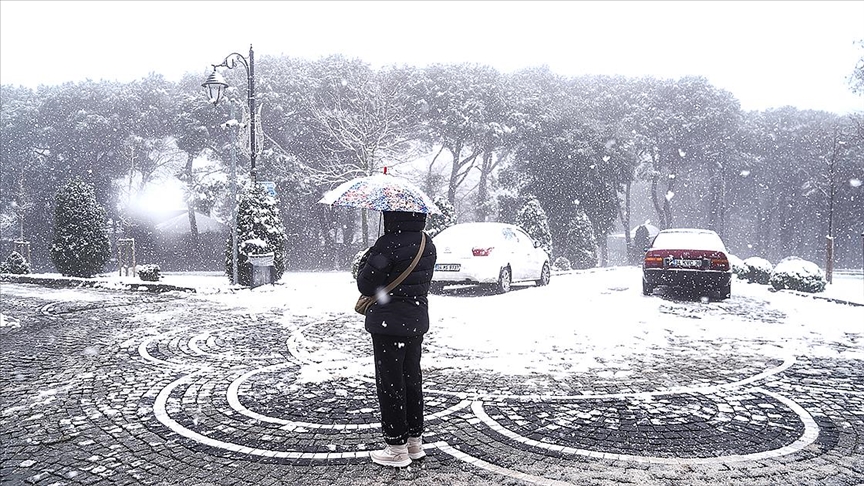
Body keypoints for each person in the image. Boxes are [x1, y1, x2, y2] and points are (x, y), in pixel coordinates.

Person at [356, 210, 437, 468]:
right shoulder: (427, 243)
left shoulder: (387, 244)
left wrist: (368, 258)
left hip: (388, 323)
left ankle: (396, 447)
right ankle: (415, 441)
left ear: (392, 217)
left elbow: (366, 286)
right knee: (412, 379)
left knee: (391, 383)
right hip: (415, 321)